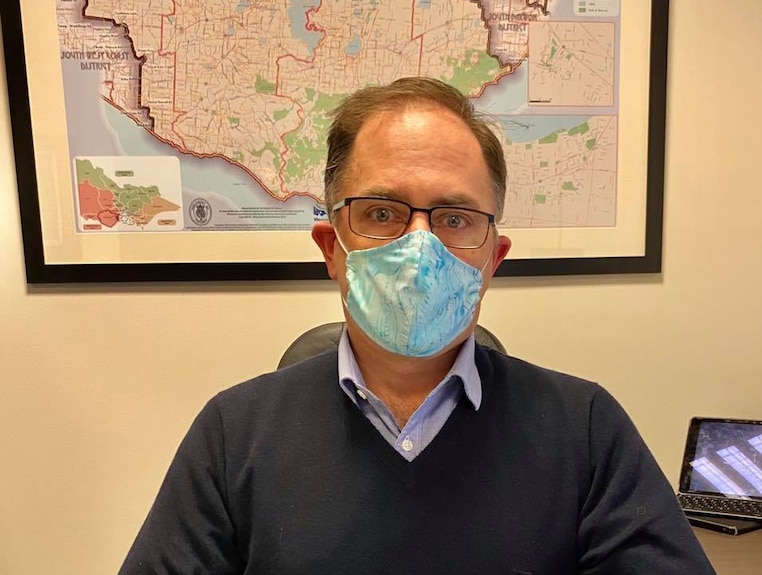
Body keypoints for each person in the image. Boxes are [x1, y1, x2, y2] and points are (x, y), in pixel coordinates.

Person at [119, 77, 715, 574]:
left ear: (491, 260)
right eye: (382, 213)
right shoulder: (233, 433)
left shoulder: (585, 428)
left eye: (454, 217)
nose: (419, 245)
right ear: (332, 249)